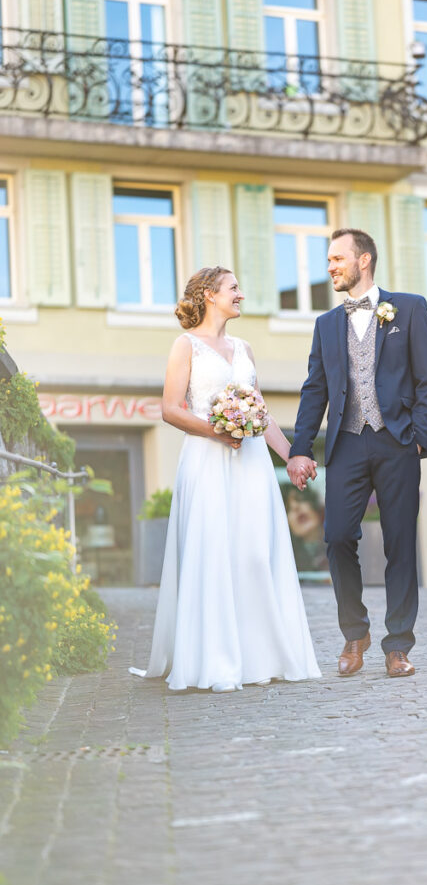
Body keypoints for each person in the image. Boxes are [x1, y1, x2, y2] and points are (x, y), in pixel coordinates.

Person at [130, 266, 321, 692]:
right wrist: (216, 431)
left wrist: (293, 457)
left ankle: (261, 655)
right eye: (234, 288)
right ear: (209, 294)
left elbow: (261, 414)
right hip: (207, 461)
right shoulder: (185, 346)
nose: (241, 295)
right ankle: (214, 658)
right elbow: (171, 409)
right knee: (213, 553)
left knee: (254, 553)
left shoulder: (244, 348)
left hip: (251, 463)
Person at [287, 228, 427, 679]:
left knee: (400, 544)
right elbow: (314, 390)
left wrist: (418, 435)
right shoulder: (326, 325)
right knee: (337, 537)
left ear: (364, 260)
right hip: (347, 442)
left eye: (337, 258)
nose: (330, 267)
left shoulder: (409, 308)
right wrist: (299, 448)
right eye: (329, 260)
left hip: (398, 441)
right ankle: (355, 633)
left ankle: (398, 644)